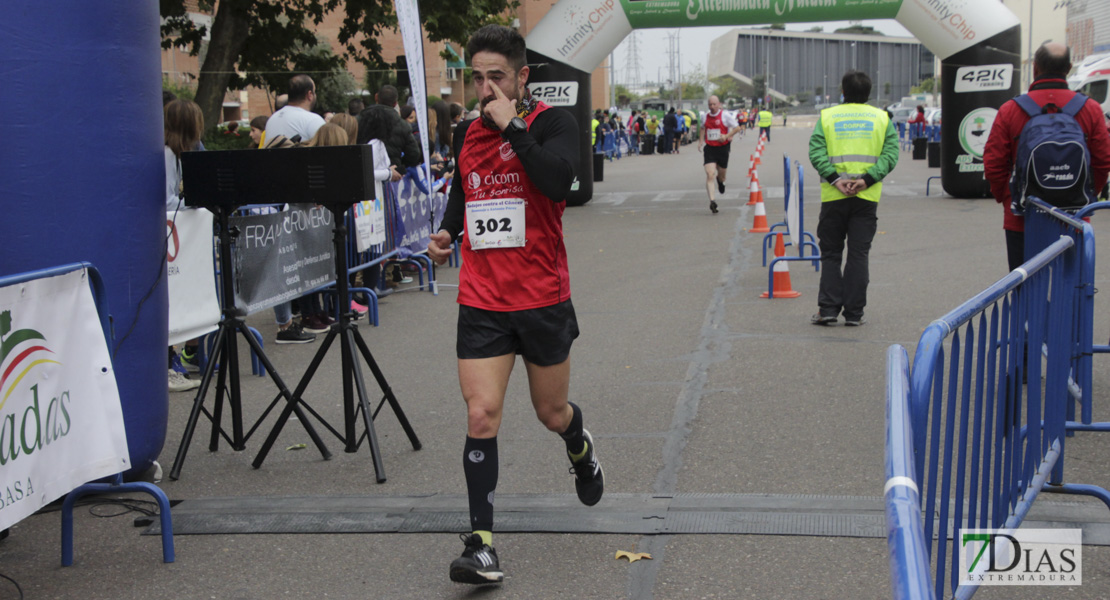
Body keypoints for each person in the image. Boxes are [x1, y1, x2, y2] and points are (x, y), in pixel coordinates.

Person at [425, 24, 603, 586]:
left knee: (552, 413)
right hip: (481, 298)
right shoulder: (466, 133)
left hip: (542, 297)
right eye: (475, 77)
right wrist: (447, 231)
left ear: (522, 77)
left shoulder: (554, 122)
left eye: (495, 77)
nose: (483, 88)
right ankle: (481, 545)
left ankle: (579, 444)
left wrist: (514, 128)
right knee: (481, 414)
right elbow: (464, 187)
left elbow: (558, 184)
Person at [983, 42, 1110, 271]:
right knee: (1072, 292)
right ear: (1069, 68)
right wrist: (1087, 194)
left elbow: (993, 164)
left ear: (1035, 68)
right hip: (1074, 218)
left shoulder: (1010, 110)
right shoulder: (1090, 109)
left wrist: (1009, 198)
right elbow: (1103, 160)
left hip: (1023, 219)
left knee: (1026, 289)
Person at [809, 70, 898, 327]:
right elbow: (890, 155)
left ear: (843, 92)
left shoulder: (828, 116)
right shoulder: (882, 118)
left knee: (831, 253)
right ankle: (854, 314)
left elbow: (816, 151)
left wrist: (835, 179)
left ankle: (827, 309)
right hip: (866, 196)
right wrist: (867, 180)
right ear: (868, 94)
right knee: (858, 254)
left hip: (834, 195)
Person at [264, 74, 324, 344]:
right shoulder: (313, 121)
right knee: (308, 257)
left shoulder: (273, 119)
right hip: (303, 202)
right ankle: (299, 317)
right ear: (310, 94)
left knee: (284, 261)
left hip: (274, 198)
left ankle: (290, 317)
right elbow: (325, 158)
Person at [163, 99, 205, 393]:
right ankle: (165, 365)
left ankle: (172, 359)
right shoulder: (166, 155)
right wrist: (194, 205)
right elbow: (166, 202)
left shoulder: (175, 155)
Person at [698, 95, 742, 215]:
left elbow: (737, 128)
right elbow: (702, 128)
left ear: (719, 104)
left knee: (722, 175)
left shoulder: (725, 115)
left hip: (723, 148)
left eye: (714, 104)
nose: (712, 107)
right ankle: (712, 201)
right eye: (710, 104)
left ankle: (720, 181)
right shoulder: (704, 116)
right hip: (710, 149)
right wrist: (701, 141)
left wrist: (726, 136)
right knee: (710, 174)